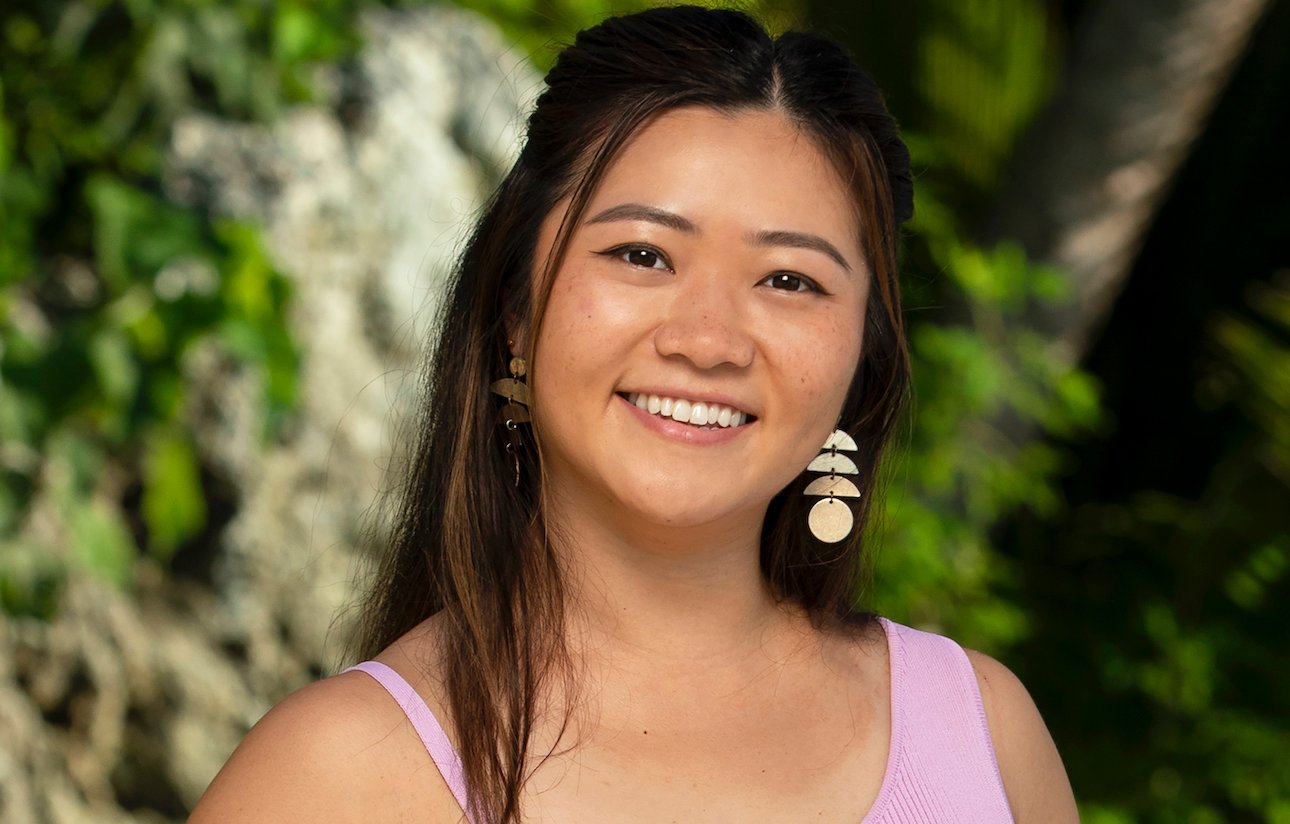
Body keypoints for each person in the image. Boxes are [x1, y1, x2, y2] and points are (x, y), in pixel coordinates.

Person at [189, 6, 1078, 823]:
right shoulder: (335, 775)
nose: (709, 339)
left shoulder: (982, 736)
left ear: (863, 359)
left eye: (789, 280)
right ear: (515, 311)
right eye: (643, 254)